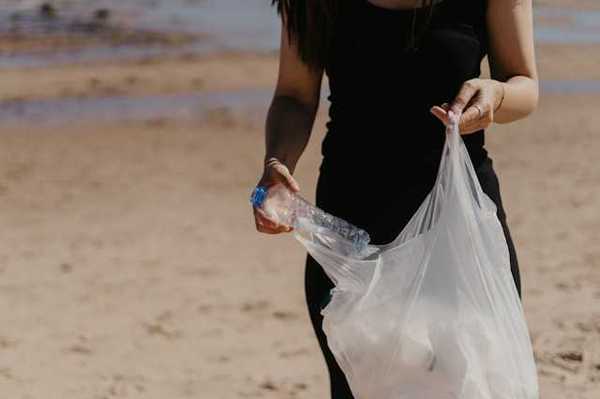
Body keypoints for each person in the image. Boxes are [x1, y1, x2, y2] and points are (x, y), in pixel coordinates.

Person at [252, 0, 538, 398]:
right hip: (350, 233)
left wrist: (496, 94)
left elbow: (525, 84)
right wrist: (277, 163)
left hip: (460, 228)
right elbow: (295, 95)